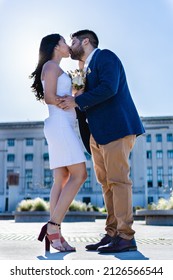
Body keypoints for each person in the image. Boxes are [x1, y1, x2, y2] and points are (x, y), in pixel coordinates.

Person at [58, 29, 145, 253]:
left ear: (86, 41)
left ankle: (126, 237)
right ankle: (112, 233)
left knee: (118, 181)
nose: (71, 46)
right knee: (107, 184)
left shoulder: (106, 56)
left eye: (73, 41)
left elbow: (109, 88)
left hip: (116, 128)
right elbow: (83, 98)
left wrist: (76, 101)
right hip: (98, 134)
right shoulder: (84, 68)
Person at [30, 33, 87, 252]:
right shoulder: (52, 67)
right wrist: (69, 101)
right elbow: (49, 97)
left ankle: (55, 235)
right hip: (60, 125)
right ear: (56, 46)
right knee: (79, 174)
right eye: (64, 42)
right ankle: (53, 227)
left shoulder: (59, 68)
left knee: (62, 178)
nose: (67, 45)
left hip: (61, 125)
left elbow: (74, 95)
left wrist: (78, 88)